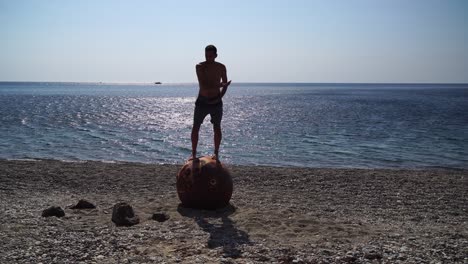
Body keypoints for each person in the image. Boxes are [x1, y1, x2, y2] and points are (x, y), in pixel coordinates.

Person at [191, 45, 231, 161]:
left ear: (215, 55)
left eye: (210, 56)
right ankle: (193, 154)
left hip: (216, 102)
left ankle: (216, 154)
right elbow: (204, 84)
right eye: (206, 55)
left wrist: (221, 96)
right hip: (202, 101)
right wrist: (221, 85)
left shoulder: (221, 67)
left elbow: (225, 84)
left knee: (217, 127)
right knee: (196, 127)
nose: (208, 58)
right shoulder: (200, 66)